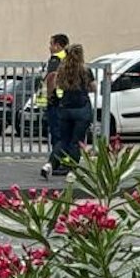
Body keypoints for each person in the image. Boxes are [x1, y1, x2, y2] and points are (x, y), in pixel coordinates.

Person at [44, 44, 95, 178]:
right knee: (76, 142)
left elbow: (56, 84)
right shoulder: (85, 71)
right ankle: (72, 170)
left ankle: (49, 164)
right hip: (81, 108)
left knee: (63, 140)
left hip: (65, 107)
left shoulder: (62, 70)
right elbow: (93, 88)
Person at [38, 33, 69, 177]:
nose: (49, 47)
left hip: (56, 102)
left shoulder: (56, 59)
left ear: (57, 45)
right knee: (64, 134)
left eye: (51, 44)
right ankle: (64, 162)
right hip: (65, 102)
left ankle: (56, 163)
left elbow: (51, 79)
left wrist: (48, 97)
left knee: (57, 135)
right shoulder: (68, 58)